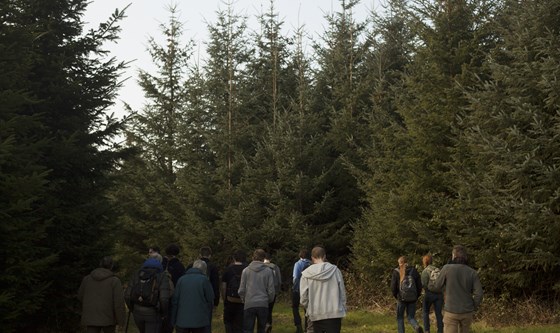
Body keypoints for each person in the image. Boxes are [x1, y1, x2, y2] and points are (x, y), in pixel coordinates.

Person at [433, 245, 483, 333]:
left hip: (451, 310)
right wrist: (473, 306)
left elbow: (436, 286)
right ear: (465, 257)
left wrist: (445, 290)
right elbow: (479, 294)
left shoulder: (446, 268)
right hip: (467, 311)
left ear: (453, 256)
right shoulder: (472, 272)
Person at [299, 246, 346, 333]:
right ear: (324, 256)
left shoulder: (306, 274)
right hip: (334, 312)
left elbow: (303, 297)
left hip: (315, 313)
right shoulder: (336, 271)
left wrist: (308, 308)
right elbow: (342, 293)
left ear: (312, 258)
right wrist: (343, 307)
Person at [78, 256, 126, 333]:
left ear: (100, 264)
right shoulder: (115, 281)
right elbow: (118, 304)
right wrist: (121, 322)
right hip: (108, 319)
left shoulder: (86, 279)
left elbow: (80, 296)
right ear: (111, 266)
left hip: (91, 317)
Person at [125, 257, 172, 333]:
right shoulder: (162, 276)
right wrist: (164, 314)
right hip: (153, 313)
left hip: (137, 311)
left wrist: (132, 308)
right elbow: (164, 299)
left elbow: (127, 295)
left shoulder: (137, 274)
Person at [171, 259, 215, 333]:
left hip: (182, 321)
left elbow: (175, 301)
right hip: (200, 321)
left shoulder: (181, 280)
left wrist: (173, 320)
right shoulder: (204, 280)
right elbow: (210, 299)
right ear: (204, 270)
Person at [238, 248, 275, 333]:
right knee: (262, 329)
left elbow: (241, 289)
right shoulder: (268, 271)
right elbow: (271, 290)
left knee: (248, 329)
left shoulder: (246, 271)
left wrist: (244, 299)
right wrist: (268, 300)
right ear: (263, 258)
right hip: (263, 303)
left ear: (252, 257)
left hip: (249, 302)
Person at [391, 256, 423, 333]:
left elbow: (393, 287)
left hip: (401, 298)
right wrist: (416, 296)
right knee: (411, 317)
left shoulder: (396, 271)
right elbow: (419, 285)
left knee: (400, 317)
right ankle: (416, 326)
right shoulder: (414, 270)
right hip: (412, 298)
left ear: (400, 263)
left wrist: (396, 295)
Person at [221, 250, 248, 333]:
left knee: (229, 323)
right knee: (240, 325)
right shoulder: (247, 269)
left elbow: (223, 287)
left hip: (230, 300)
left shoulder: (228, 269)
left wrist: (224, 299)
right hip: (243, 301)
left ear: (233, 258)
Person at [162, 243, 185, 333]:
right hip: (174, 296)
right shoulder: (179, 266)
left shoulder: (162, 265)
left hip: (161, 296)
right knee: (170, 322)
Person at [421, 255, 443, 333]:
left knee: (425, 312)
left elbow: (424, 284)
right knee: (438, 313)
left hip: (429, 294)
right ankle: (440, 330)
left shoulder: (425, 271)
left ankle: (427, 330)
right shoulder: (438, 269)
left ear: (424, 262)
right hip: (439, 294)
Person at [292, 248, 311, 333]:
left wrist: (295, 288)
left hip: (298, 288)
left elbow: (296, 277)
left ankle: (298, 325)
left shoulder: (298, 264)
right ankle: (307, 326)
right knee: (307, 308)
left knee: (295, 307)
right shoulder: (311, 263)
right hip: (309, 289)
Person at [264, 252, 282, 333]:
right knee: (270, 310)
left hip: (263, 291)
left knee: (263, 309)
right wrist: (277, 291)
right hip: (273, 291)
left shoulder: (261, 267)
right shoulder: (275, 267)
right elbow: (279, 280)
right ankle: (269, 324)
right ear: (270, 259)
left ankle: (264, 325)